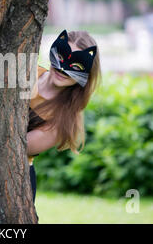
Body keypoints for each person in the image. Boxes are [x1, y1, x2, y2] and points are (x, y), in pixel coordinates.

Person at [27, 29, 102, 204]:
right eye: (61, 58)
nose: (63, 69)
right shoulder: (27, 72)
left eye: (76, 67)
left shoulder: (64, 118)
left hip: (14, 179)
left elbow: (20, 147)